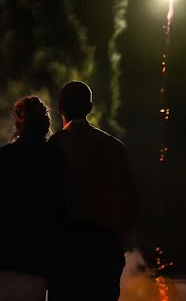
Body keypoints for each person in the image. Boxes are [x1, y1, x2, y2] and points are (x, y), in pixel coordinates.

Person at [0, 95, 63, 301]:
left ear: (19, 123)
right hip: (33, 262)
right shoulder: (53, 160)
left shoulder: (2, 157)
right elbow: (58, 211)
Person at [48, 80, 138, 301]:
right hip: (105, 252)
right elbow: (130, 199)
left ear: (60, 108)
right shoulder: (115, 147)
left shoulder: (55, 146)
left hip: (67, 252)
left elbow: (48, 200)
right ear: (90, 109)